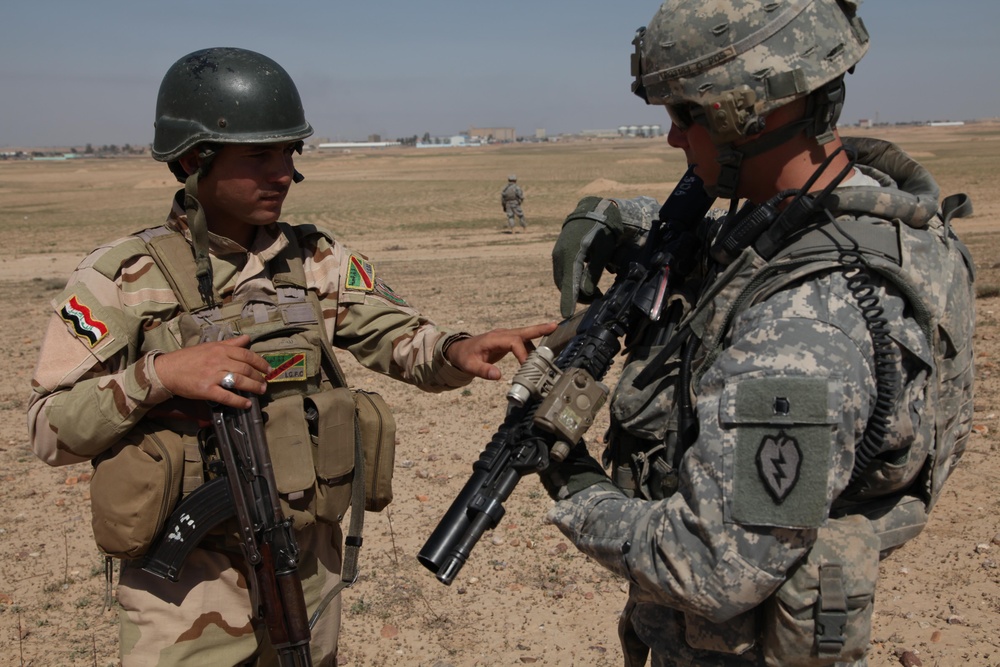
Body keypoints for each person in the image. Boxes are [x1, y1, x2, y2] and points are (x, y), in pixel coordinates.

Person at [27, 47, 555, 667]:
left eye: (289, 153)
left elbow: (399, 339)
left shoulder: (312, 259)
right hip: (186, 589)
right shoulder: (122, 276)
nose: (282, 173)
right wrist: (160, 376)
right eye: (259, 155)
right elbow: (48, 430)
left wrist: (458, 349)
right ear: (195, 160)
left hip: (301, 567)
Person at [542, 1, 975, 665]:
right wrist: (615, 221)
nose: (673, 139)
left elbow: (711, 567)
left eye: (687, 115)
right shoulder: (873, 212)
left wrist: (574, 483)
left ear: (750, 114)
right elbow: (740, 249)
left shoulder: (802, 332)